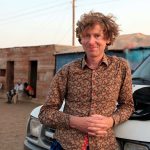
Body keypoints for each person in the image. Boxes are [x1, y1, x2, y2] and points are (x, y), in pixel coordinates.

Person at [38, 11, 134, 150]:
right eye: (86, 36)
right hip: (66, 145)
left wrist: (111, 121)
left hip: (105, 145)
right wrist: (75, 122)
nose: (91, 41)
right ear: (80, 39)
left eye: (97, 35)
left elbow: (127, 106)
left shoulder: (121, 67)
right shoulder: (67, 71)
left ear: (107, 38)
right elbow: (45, 113)